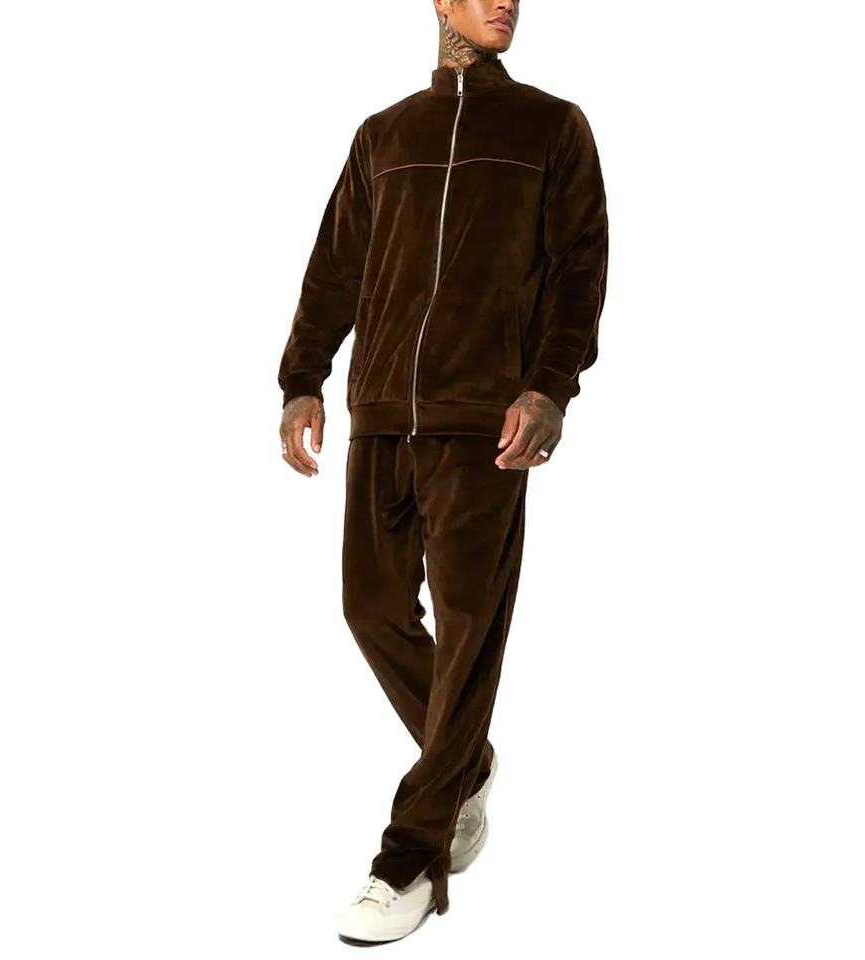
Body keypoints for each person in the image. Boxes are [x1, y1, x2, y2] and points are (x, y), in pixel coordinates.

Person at [277, 0, 608, 945]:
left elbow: (580, 269)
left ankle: (409, 857)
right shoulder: (385, 135)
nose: (507, 2)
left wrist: (548, 388)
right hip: (383, 412)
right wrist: (303, 378)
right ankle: (464, 762)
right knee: (370, 608)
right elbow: (336, 265)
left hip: (484, 421)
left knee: (468, 633)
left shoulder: (552, 126)